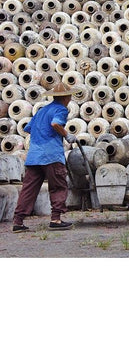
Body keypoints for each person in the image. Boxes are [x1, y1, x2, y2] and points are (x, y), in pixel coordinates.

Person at [12, 82, 79, 233]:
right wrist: (66, 135)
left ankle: (18, 221)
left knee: (28, 189)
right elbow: (55, 123)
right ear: (66, 97)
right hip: (51, 155)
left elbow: (28, 128)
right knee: (58, 186)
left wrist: (41, 135)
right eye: (69, 96)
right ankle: (56, 219)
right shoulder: (61, 109)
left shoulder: (42, 111)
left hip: (34, 156)